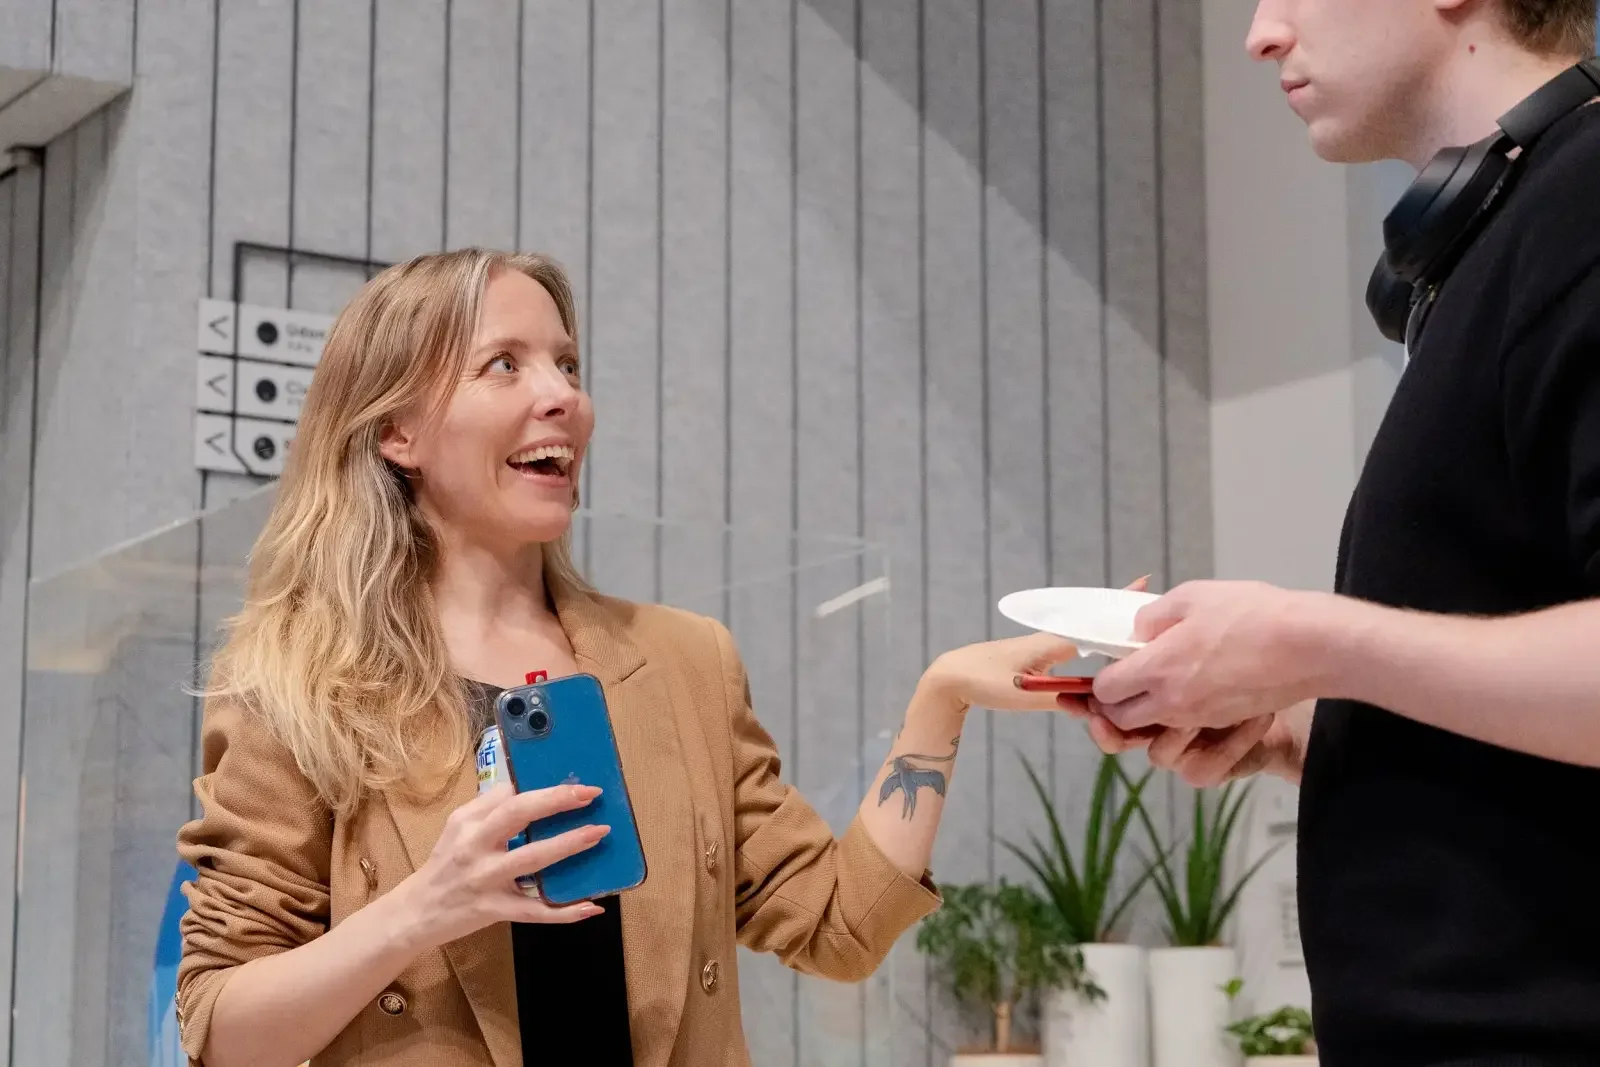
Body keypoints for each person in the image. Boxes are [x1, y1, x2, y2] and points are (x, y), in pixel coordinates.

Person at [174, 248, 1105, 1067]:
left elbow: (839, 925)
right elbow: (221, 1027)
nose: (564, 396)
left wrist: (940, 702)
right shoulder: (295, 682)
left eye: (567, 364)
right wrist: (425, 905)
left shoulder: (685, 661)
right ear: (397, 433)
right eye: (505, 364)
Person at [1067, 1, 1600, 1065]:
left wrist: (1315, 641)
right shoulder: (1504, 244)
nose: (1260, 34)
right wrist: (1305, 727)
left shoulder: (1581, 212)